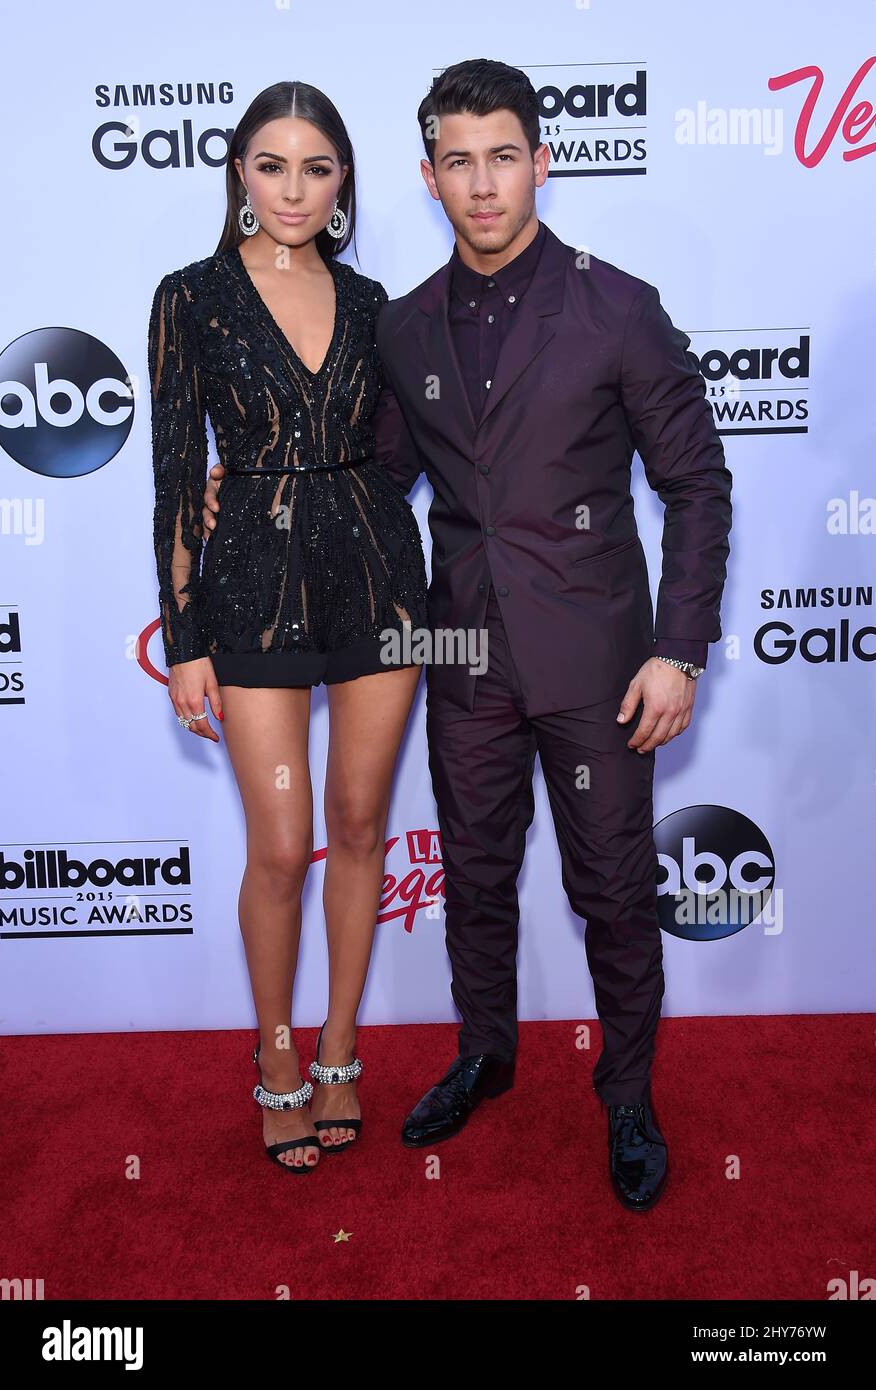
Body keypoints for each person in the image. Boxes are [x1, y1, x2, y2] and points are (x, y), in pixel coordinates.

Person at [203, 59, 733, 1211]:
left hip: (599, 662)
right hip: (456, 656)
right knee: (477, 875)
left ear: (539, 161)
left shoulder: (617, 306)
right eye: (458, 161)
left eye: (503, 157)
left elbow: (695, 482)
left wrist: (678, 648)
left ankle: (628, 1098)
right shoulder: (401, 325)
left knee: (609, 891)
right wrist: (235, 488)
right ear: (430, 176)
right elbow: (371, 468)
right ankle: (485, 1052)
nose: (482, 184)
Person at [148, 81, 428, 1173]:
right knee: (280, 844)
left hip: (378, 582)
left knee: (359, 825)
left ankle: (341, 1050)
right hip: (251, 583)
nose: (295, 188)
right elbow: (176, 475)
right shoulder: (191, 296)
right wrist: (184, 638)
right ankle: (276, 1060)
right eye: (273, 165)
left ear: (343, 180)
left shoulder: (373, 304)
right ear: (239, 175)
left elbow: (406, 451)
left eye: (317, 168)